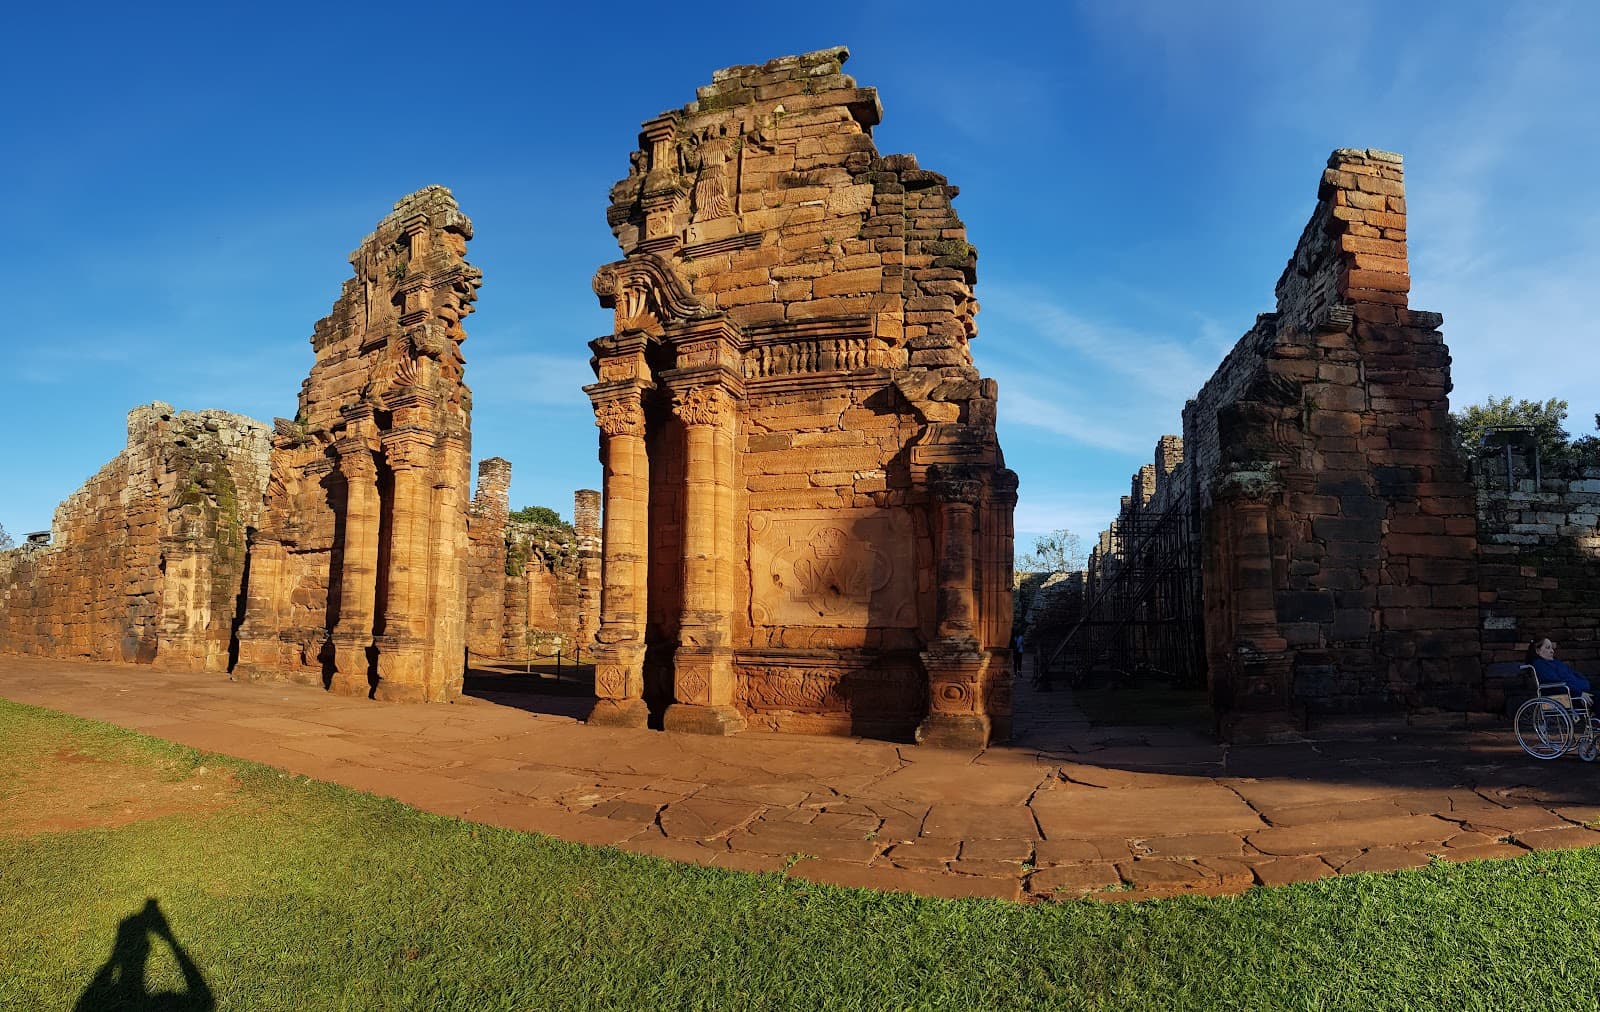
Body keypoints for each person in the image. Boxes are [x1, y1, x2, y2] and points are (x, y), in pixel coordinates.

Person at [1527, 635, 1593, 698]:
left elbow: (1574, 673)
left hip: (1581, 691)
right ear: (1538, 651)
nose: (1552, 651)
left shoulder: (1556, 662)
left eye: (1552, 648)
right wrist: (1579, 693)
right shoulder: (1540, 665)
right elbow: (1555, 683)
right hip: (1570, 697)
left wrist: (1585, 684)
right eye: (1548, 648)